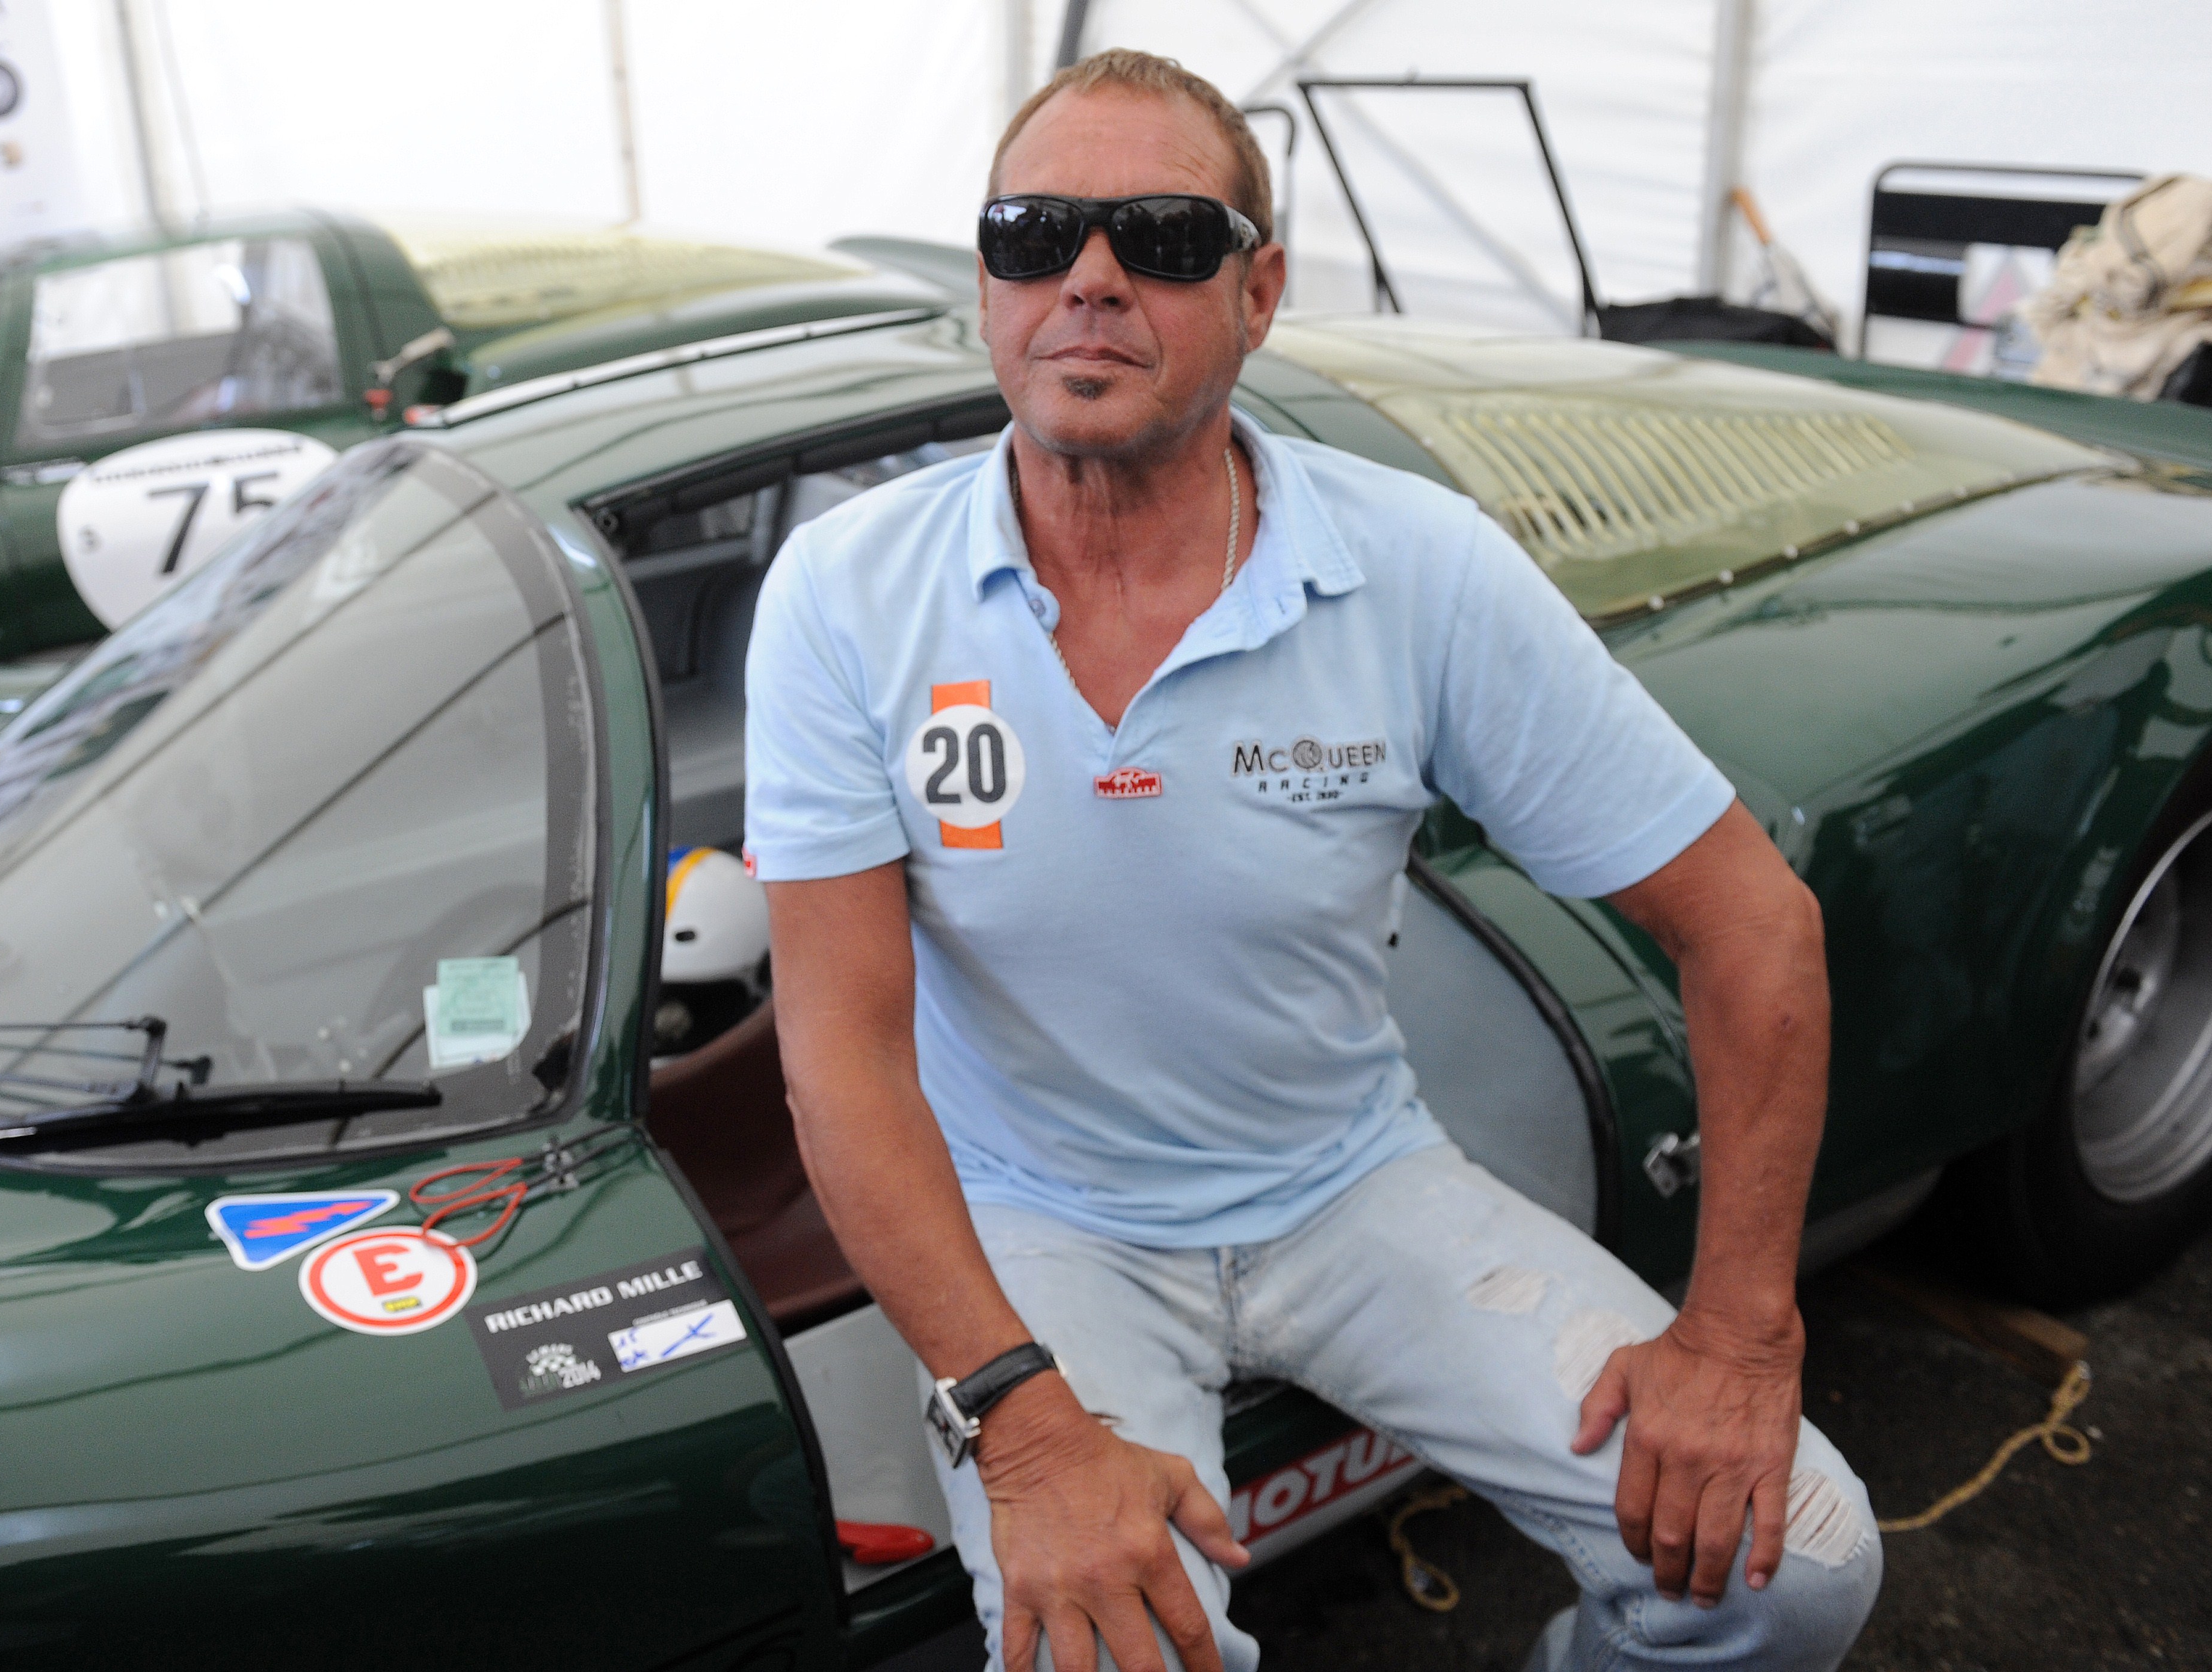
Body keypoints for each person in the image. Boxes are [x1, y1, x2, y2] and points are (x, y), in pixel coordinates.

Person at [743, 48, 1881, 1672]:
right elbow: (838, 1044)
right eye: (1032, 231)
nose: (1090, 278)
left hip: (1351, 1187)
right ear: (986, 281)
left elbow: (1755, 924)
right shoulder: (844, 595)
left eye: (1163, 238)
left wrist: (1741, 1333)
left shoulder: (1415, 569)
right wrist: (1022, 1415)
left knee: (1801, 1563)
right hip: (1043, 1221)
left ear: (1260, 291)